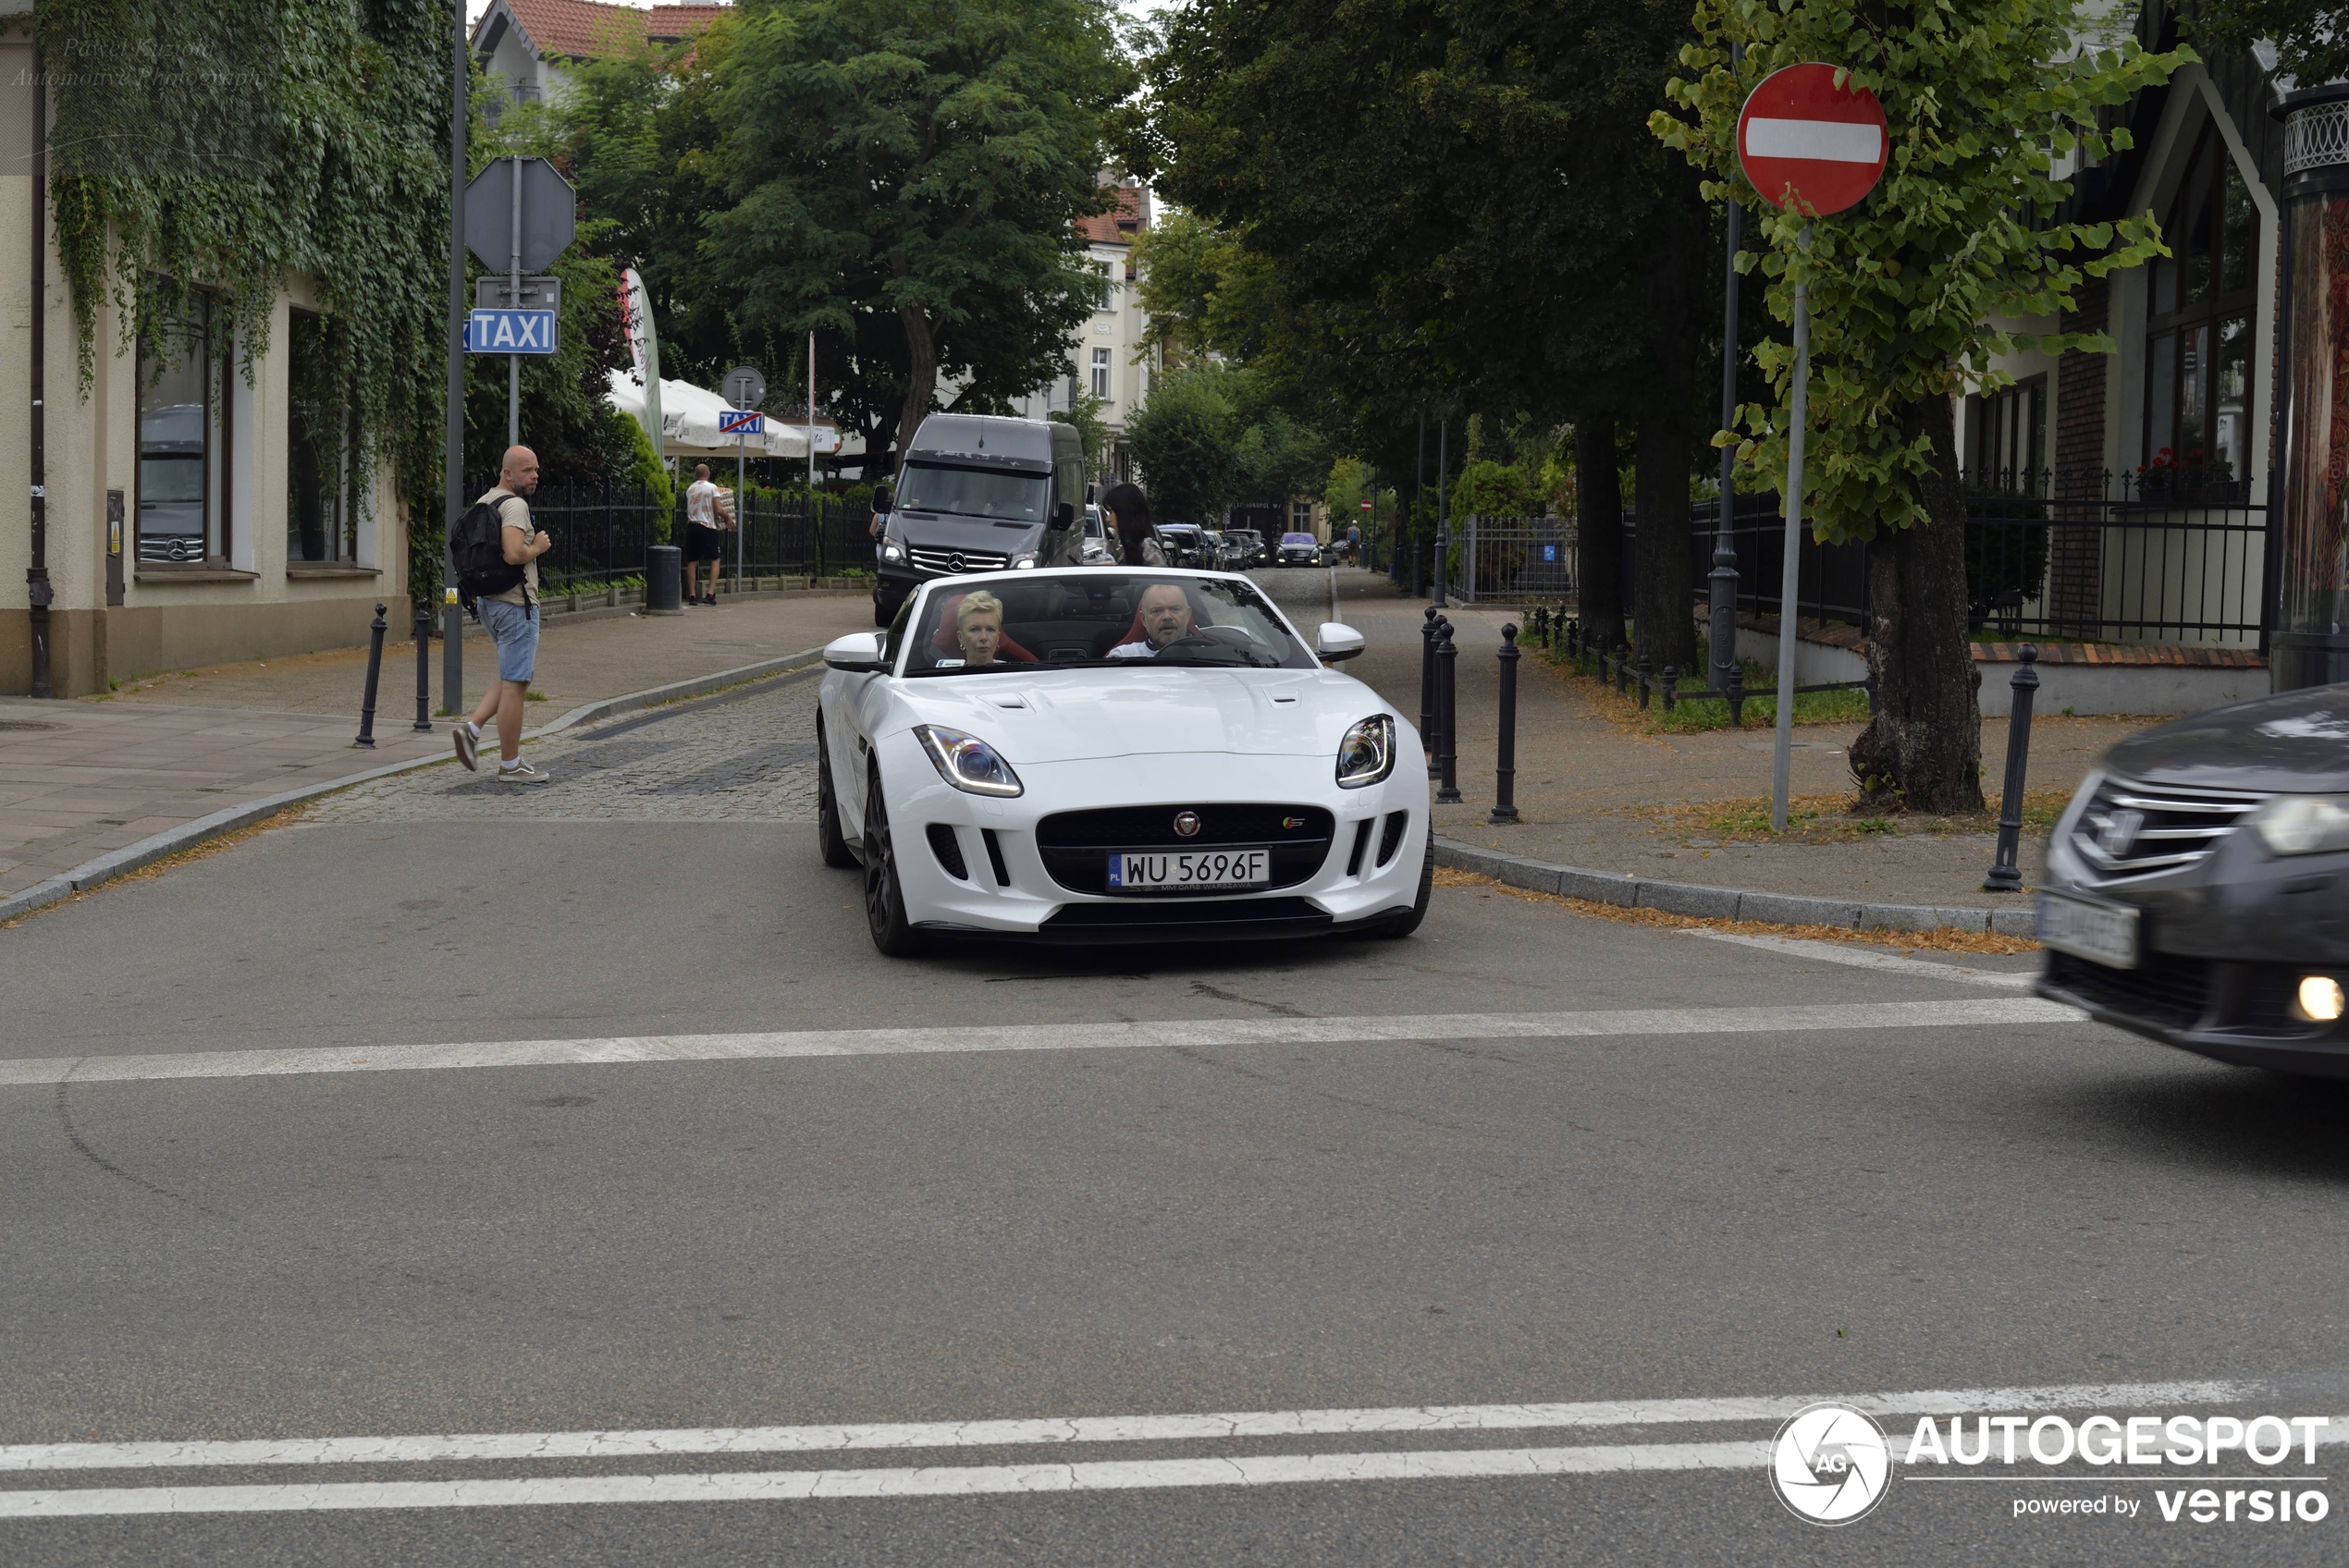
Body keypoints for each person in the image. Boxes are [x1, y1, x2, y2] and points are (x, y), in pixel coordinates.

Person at [451, 446, 555, 782]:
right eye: (527, 470)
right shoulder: (514, 505)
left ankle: (472, 728)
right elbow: (513, 553)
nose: (535, 475)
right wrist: (537, 547)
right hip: (514, 604)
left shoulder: (486, 501)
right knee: (517, 683)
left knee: (511, 674)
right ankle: (510, 764)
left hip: (489, 602)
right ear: (507, 473)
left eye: (536, 469)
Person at [1106, 582, 1196, 659]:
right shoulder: (1124, 655)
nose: (1167, 617)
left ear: (1188, 615)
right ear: (1144, 619)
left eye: (1175, 609)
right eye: (1157, 611)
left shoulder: (1206, 654)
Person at [683, 463, 724, 606]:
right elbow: (718, 509)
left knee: (692, 561)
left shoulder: (690, 489)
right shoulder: (712, 488)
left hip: (692, 526)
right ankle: (710, 594)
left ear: (696, 474)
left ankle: (692, 595)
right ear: (708, 474)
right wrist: (728, 518)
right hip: (708, 527)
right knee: (715, 560)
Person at [1101, 482, 1162, 567]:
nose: (1107, 519)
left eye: (1111, 512)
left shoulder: (1148, 548)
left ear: (1124, 513)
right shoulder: (1130, 543)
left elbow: (1158, 578)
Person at [953, 590, 1004, 667]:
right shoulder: (947, 677)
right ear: (961, 637)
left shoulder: (1014, 674)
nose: (983, 637)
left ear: (998, 637)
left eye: (990, 629)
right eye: (974, 629)